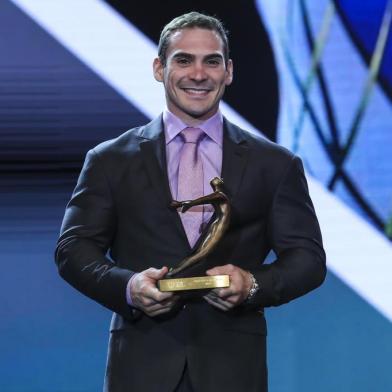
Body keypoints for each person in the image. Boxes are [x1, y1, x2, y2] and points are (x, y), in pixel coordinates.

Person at [55, 11, 326, 392]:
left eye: (211, 61)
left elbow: (308, 260)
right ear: (158, 68)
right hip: (141, 364)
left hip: (233, 368)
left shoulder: (275, 164)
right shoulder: (110, 159)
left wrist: (252, 284)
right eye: (183, 59)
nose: (198, 74)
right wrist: (129, 287)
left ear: (228, 71)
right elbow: (74, 249)